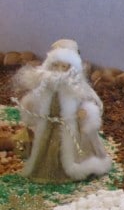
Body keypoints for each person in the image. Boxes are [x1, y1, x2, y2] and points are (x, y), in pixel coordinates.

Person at [13, 39, 112, 183]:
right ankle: (48, 173)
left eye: (64, 67)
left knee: (74, 149)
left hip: (72, 126)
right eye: (56, 66)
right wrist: (30, 105)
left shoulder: (76, 86)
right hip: (49, 126)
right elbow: (35, 98)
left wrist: (85, 112)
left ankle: (81, 168)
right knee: (48, 149)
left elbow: (91, 102)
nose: (59, 70)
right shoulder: (46, 84)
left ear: (71, 68)